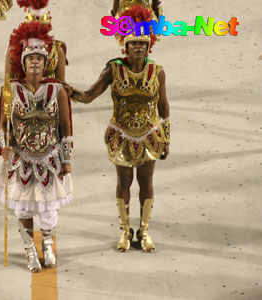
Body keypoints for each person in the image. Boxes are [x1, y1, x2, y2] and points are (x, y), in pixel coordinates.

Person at [69, 2, 170, 253]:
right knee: (124, 183)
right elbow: (89, 96)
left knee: (146, 183)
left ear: (149, 45)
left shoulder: (157, 72)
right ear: (125, 45)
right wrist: (64, 90)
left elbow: (164, 107)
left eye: (142, 43)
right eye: (133, 43)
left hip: (149, 136)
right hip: (122, 136)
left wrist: (166, 138)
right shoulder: (113, 69)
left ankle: (144, 230)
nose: (138, 47)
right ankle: (125, 230)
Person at [0, 21, 73, 272]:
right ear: (23, 63)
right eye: (30, 58)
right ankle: (29, 250)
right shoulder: (10, 90)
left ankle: (47, 244)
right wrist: (3, 146)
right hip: (21, 159)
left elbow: (66, 128)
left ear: (45, 62)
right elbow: (2, 126)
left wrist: (66, 160)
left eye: (39, 58)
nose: (34, 62)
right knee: (24, 208)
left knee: (48, 208)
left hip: (50, 158)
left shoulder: (57, 90)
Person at [5, 0, 68, 81]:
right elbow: (8, 86)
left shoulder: (57, 50)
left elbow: (62, 86)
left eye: (41, 25)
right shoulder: (13, 49)